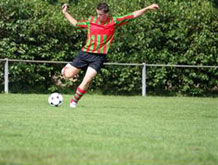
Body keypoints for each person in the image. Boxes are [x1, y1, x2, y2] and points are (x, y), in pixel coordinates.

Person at [61, 2, 159, 108]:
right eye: (97, 14)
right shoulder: (91, 20)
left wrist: (148, 8)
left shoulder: (114, 21)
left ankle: (73, 102)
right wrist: (65, 13)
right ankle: (67, 68)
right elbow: (76, 24)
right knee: (68, 75)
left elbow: (133, 15)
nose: (98, 16)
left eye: (100, 14)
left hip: (98, 57)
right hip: (85, 54)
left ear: (107, 14)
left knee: (88, 79)